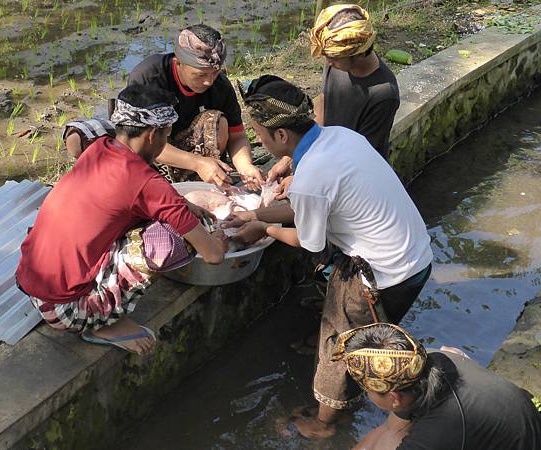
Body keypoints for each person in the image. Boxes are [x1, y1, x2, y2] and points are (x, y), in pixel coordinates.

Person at [224, 75, 433, 439]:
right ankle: (346, 383)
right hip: (414, 258)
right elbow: (311, 204)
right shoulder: (340, 137)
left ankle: (324, 423)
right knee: (363, 335)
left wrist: (264, 229)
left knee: (342, 348)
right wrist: (255, 214)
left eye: (260, 135)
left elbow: (309, 241)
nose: (258, 141)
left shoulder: (311, 178)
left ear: (282, 136)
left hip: (383, 275)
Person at [16, 85, 228, 355]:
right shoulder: (148, 183)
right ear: (153, 135)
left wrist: (184, 205)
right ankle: (103, 321)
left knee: (131, 219)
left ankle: (98, 300)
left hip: (31, 282)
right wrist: (217, 242)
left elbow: (133, 197)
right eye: (166, 135)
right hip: (65, 311)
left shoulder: (98, 149)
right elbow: (212, 256)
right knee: (172, 240)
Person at [65, 24, 264, 190]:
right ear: (179, 63)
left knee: (219, 123)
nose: (209, 82)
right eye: (200, 75)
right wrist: (197, 162)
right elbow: (136, 139)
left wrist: (246, 167)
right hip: (142, 142)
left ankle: (187, 177)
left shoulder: (220, 85)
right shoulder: (149, 76)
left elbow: (237, 136)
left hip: (181, 144)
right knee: (76, 138)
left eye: (214, 73)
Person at [334, 323, 541, 450]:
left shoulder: (438, 432)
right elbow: (389, 429)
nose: (367, 394)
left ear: (393, 398)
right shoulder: (426, 362)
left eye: (367, 391)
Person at [268, 4, 399, 196]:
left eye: (334, 58)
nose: (328, 63)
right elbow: (324, 105)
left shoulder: (383, 94)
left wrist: (307, 176)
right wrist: (291, 158)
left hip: (354, 180)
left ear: (360, 53)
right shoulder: (338, 63)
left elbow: (360, 157)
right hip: (326, 160)